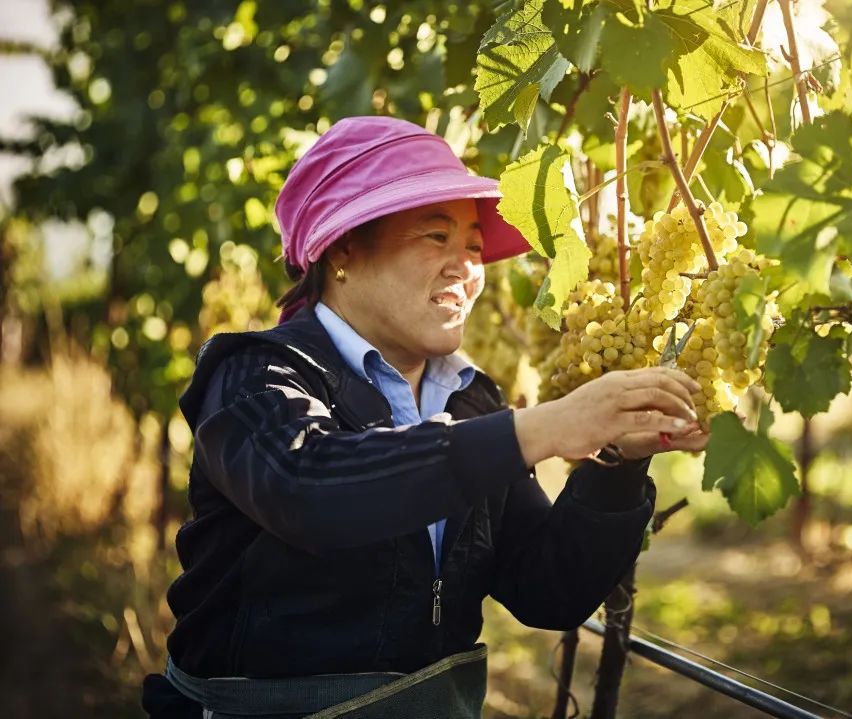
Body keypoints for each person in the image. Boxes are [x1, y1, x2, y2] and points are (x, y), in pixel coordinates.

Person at [142, 116, 709, 718]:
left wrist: (619, 461)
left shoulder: (470, 399)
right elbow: (311, 489)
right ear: (343, 250)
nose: (465, 267)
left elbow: (548, 591)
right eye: (436, 237)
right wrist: (542, 427)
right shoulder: (256, 375)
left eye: (474, 246)